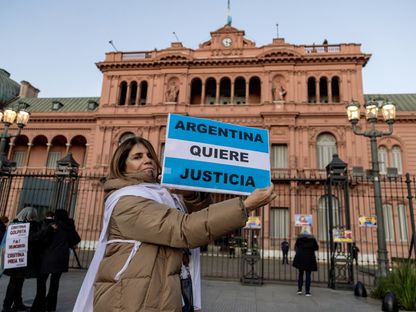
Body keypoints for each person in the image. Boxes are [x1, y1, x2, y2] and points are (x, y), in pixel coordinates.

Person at [74, 136, 276, 312]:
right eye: (137, 157)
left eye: (150, 155)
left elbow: (201, 217)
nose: (148, 161)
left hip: (164, 290)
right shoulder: (127, 200)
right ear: (122, 166)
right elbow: (184, 229)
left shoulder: (163, 195)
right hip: (132, 298)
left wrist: (189, 193)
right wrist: (246, 205)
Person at [31, 209, 80, 312]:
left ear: (56, 216)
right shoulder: (69, 227)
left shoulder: (52, 225)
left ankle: (39, 306)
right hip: (61, 259)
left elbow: (39, 238)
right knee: (54, 285)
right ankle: (51, 307)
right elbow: (76, 239)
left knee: (41, 283)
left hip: (47, 257)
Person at [2, 207, 48, 312]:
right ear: (31, 215)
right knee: (15, 282)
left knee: (17, 282)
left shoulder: (13, 224)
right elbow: (33, 238)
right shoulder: (28, 226)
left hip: (13, 257)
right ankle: (7, 306)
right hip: (22, 258)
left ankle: (17, 304)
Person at [292, 226, 319, 297]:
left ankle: (299, 290)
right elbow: (316, 248)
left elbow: (296, 246)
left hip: (300, 257)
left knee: (300, 274)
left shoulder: (299, 238)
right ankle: (307, 292)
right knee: (308, 274)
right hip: (309, 257)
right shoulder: (312, 238)